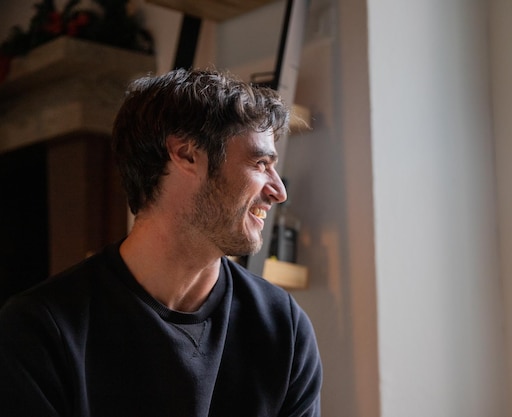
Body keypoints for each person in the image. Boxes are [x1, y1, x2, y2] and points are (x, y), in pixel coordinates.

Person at [0, 68, 322, 416]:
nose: (279, 192)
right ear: (185, 155)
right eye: (260, 163)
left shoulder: (282, 326)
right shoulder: (40, 330)